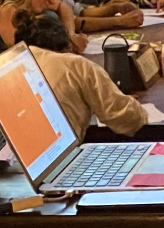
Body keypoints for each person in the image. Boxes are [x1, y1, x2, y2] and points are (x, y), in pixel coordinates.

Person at [11, 9, 148, 140]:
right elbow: (130, 119)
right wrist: (125, 102)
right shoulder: (75, 65)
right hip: (62, 152)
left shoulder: (7, 65)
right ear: (65, 48)